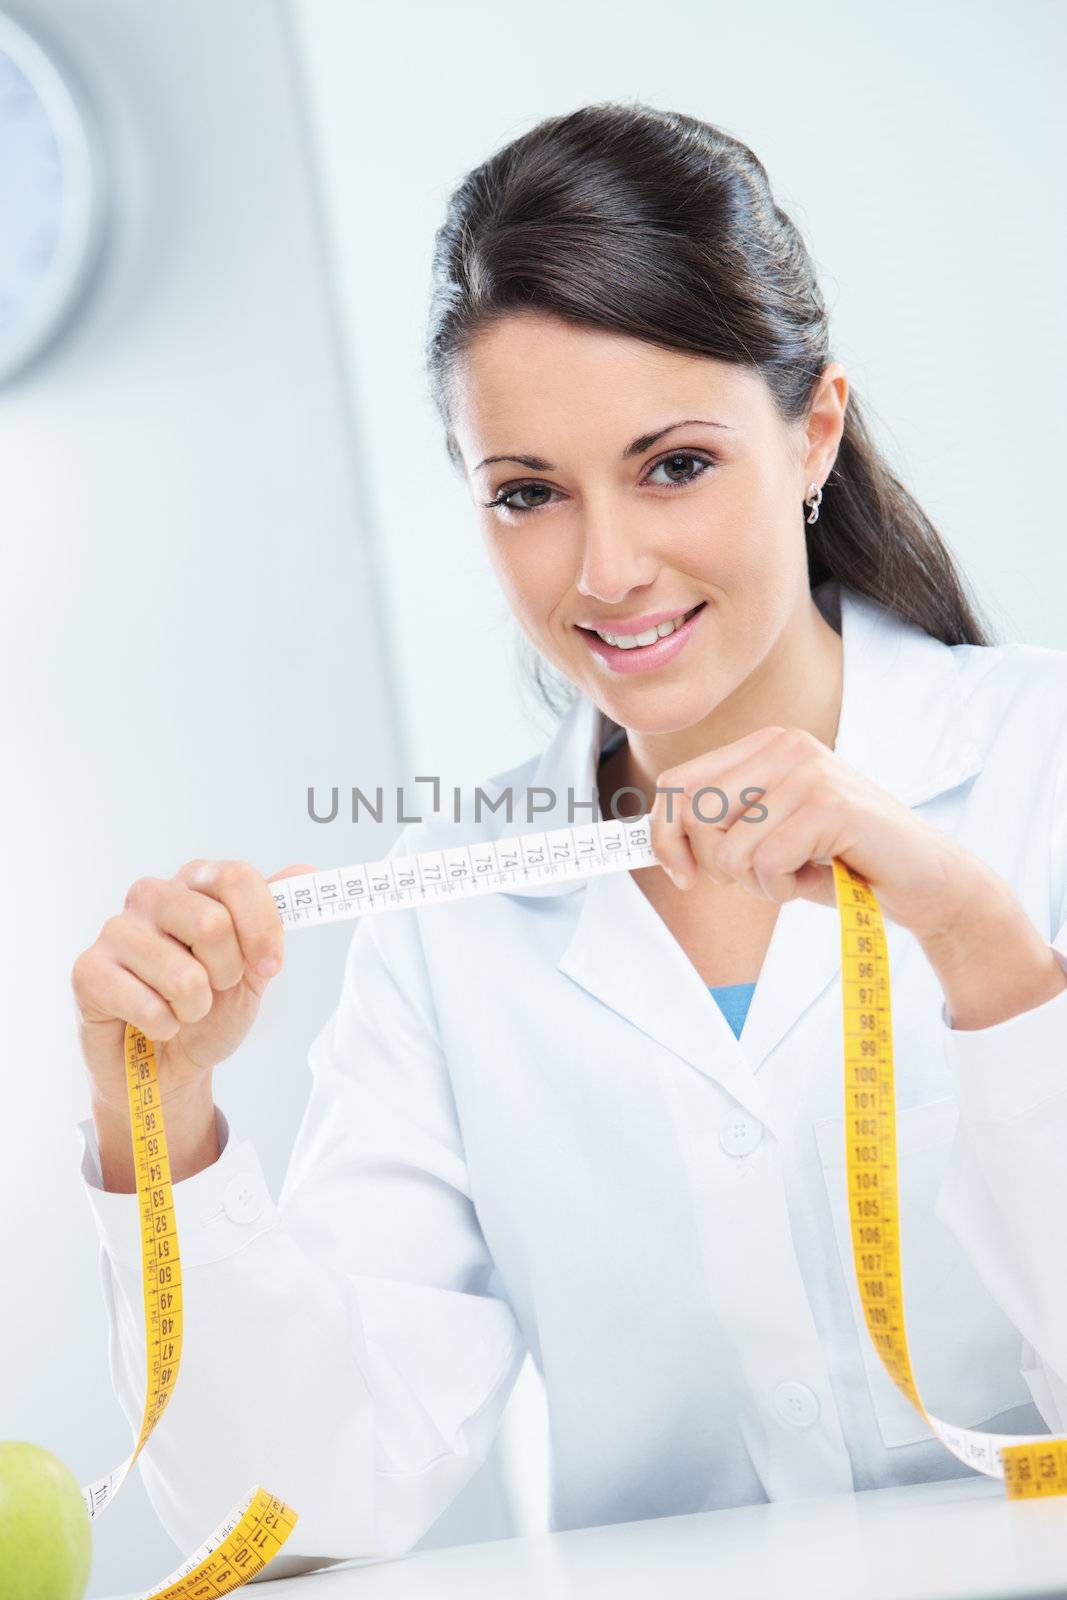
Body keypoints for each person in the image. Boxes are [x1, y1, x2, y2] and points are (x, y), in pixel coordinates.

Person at [71, 102, 1067, 1574]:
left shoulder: (1040, 764)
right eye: (528, 494)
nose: (605, 570)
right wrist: (165, 1131)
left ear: (815, 431)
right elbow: (298, 1507)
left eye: (674, 464)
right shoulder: (440, 915)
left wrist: (985, 952)